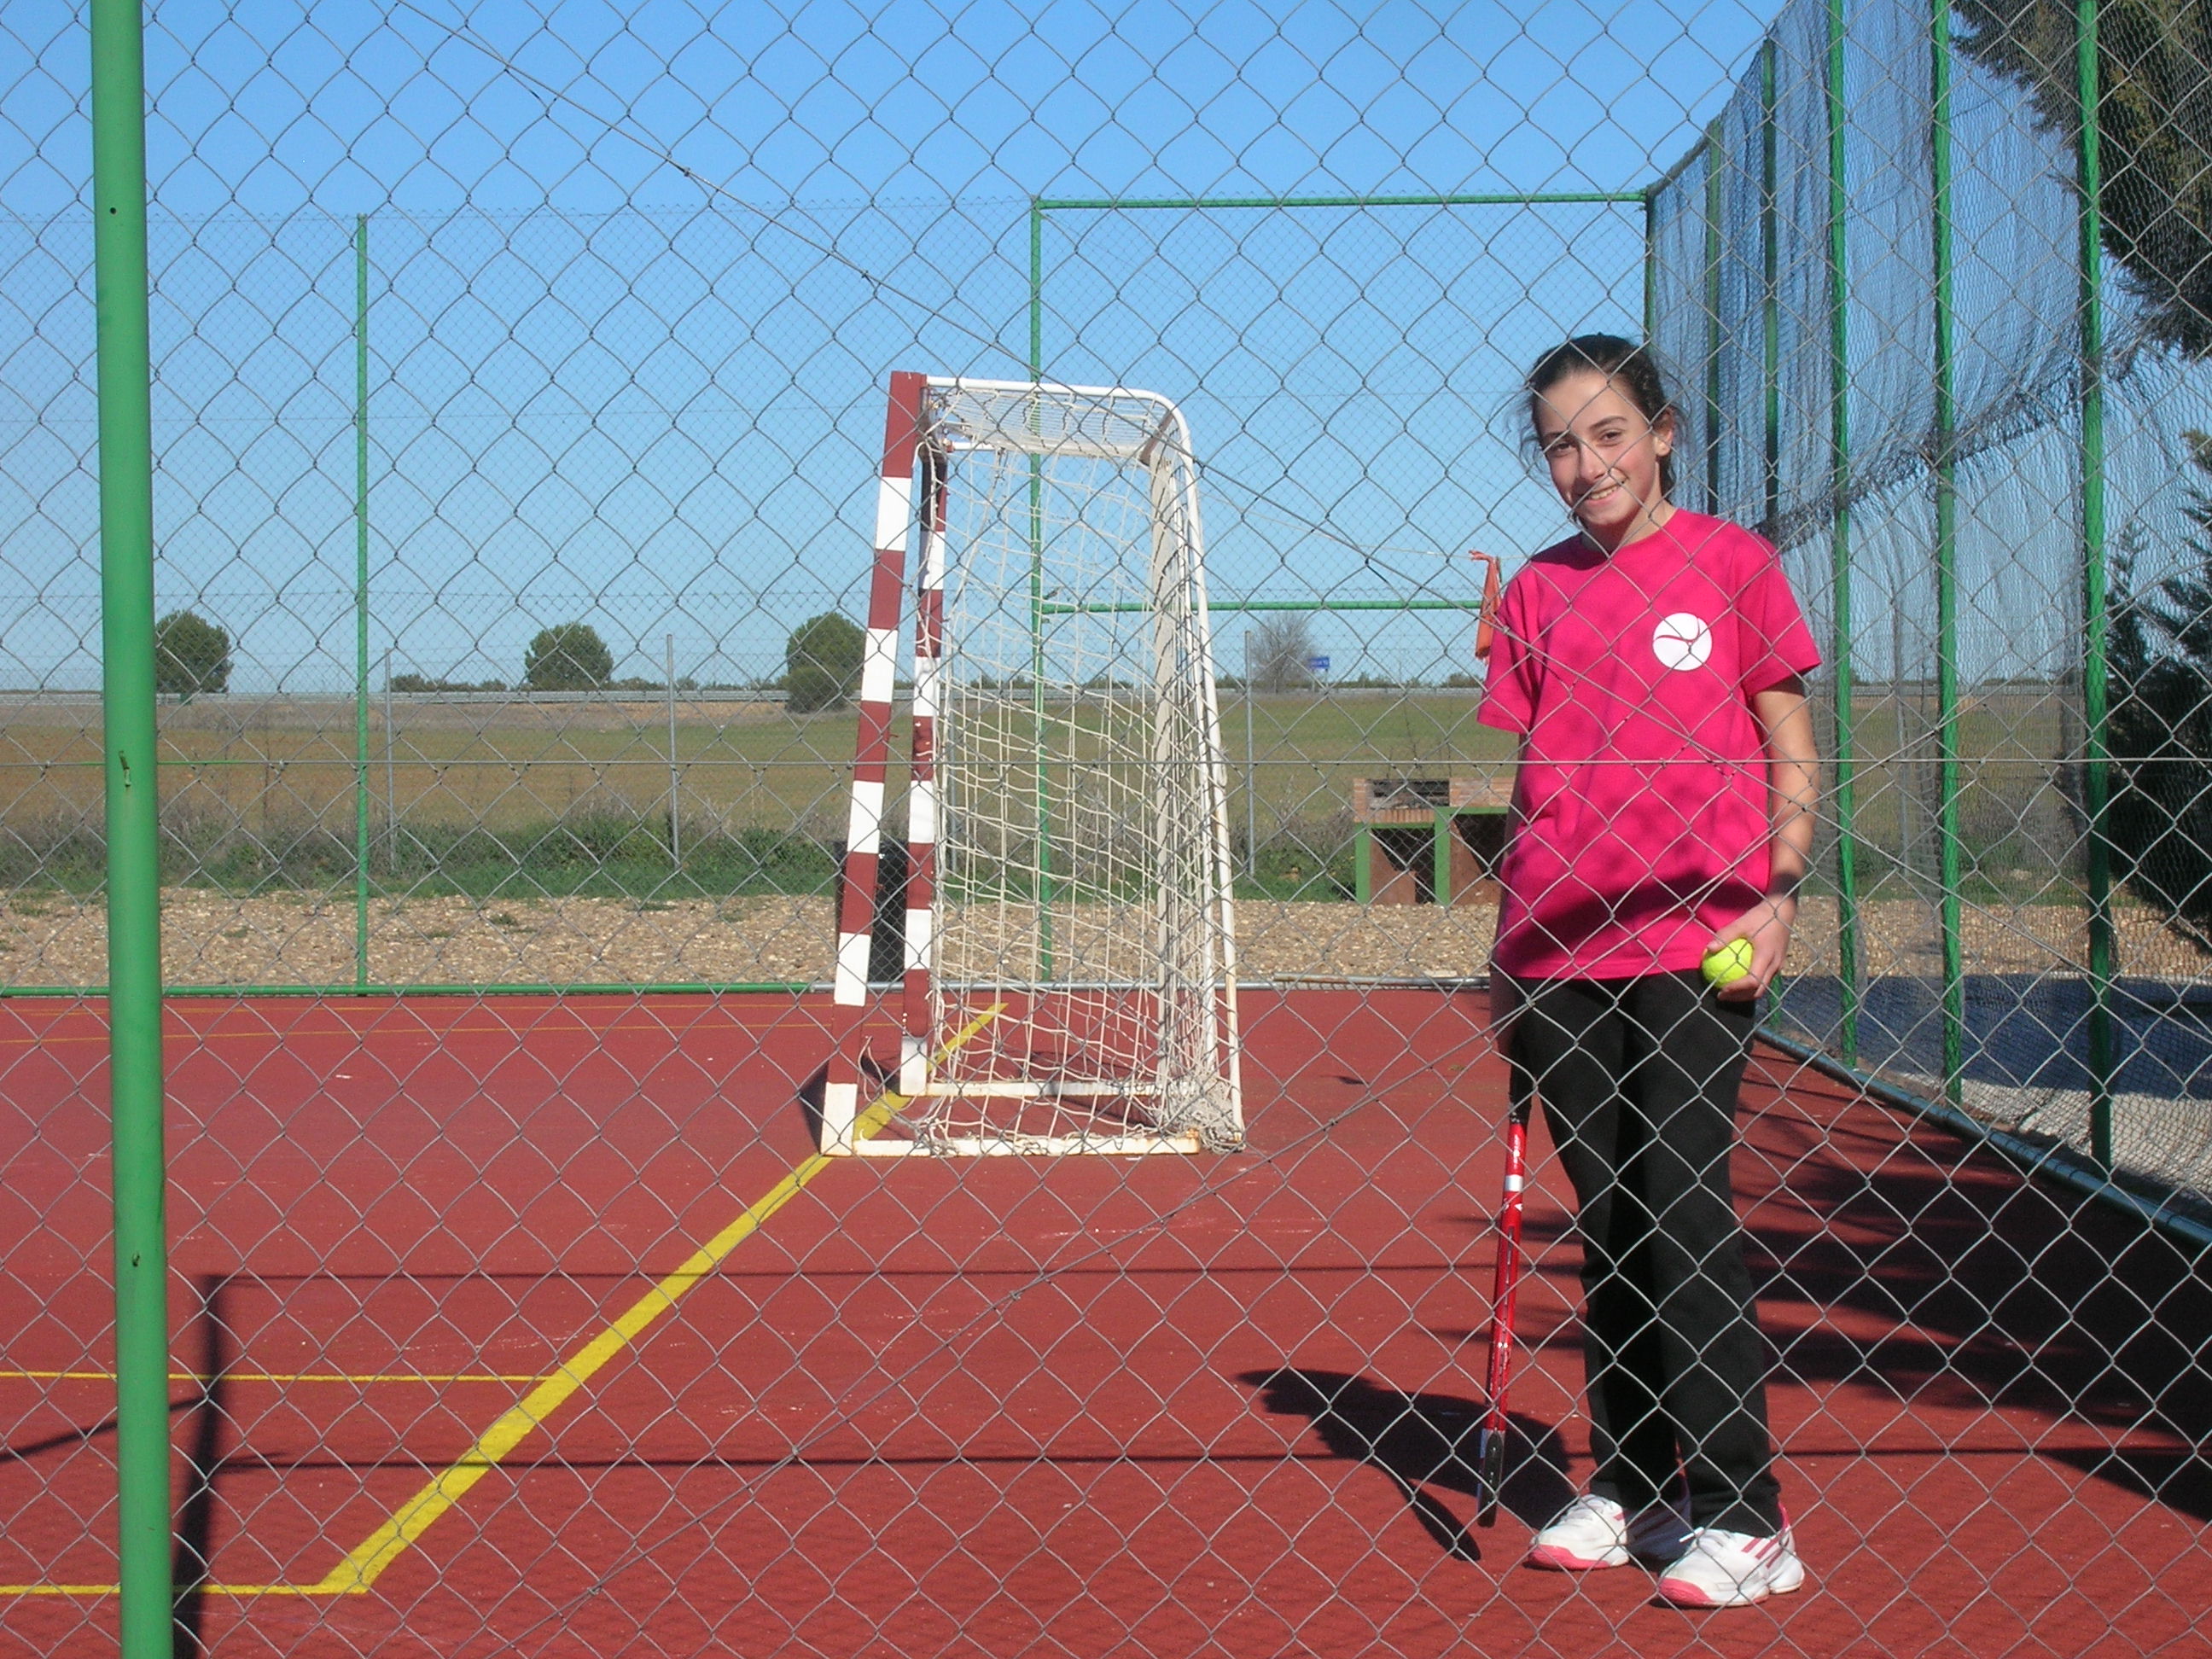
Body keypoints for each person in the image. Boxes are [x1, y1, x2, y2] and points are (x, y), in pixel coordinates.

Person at [1478, 334, 1819, 1608]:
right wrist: (1504, 956)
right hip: (1555, 952)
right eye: (1561, 446)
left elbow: (1790, 739)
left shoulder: (1734, 565)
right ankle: (1633, 1484)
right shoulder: (1537, 591)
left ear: (1664, 433)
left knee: (1680, 1202)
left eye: (1610, 433)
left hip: (1696, 941)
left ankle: (1746, 1512)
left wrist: (1782, 891)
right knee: (1613, 1220)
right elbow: (1533, 785)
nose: (1587, 464)